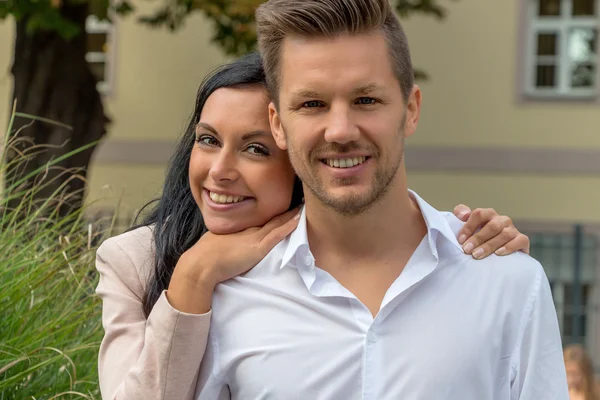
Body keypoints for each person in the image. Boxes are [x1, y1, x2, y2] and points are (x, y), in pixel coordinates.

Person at [96, 53, 530, 399]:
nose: (221, 170)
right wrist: (194, 275)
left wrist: (484, 263)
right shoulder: (135, 261)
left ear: (299, 159)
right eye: (208, 140)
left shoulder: (334, 261)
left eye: (255, 149)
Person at [193, 0, 568, 398]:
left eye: (366, 100)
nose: (339, 130)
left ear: (410, 109)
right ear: (277, 124)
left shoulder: (507, 282)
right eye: (312, 104)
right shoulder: (229, 296)